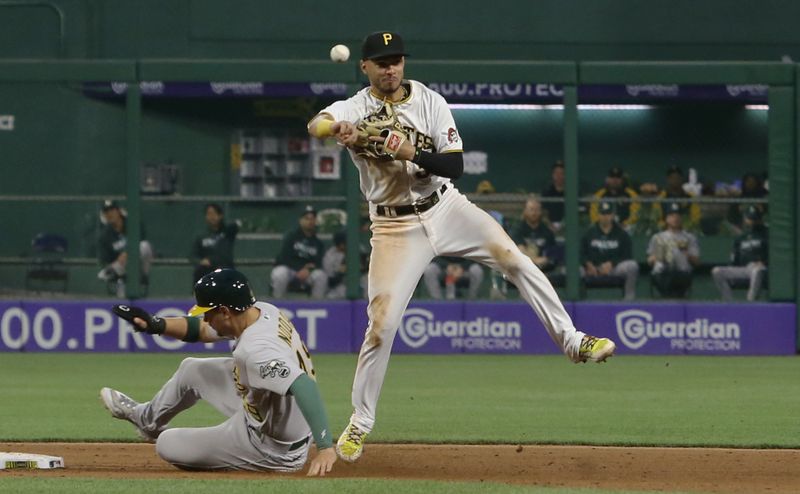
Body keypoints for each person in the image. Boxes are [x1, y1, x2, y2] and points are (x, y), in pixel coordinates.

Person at [306, 30, 615, 463]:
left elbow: (455, 164)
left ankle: (572, 340)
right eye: (381, 61)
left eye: (396, 59)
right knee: (382, 325)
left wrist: (410, 150)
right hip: (394, 227)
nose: (391, 67)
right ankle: (359, 423)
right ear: (365, 67)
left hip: (446, 205)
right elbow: (315, 123)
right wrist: (334, 127)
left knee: (514, 259)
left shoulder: (429, 101)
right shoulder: (355, 107)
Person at [99, 268, 336, 476]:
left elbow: (303, 384)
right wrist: (155, 324)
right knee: (191, 369)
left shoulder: (256, 351)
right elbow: (200, 330)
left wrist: (325, 447)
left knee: (166, 444)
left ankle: (264, 461)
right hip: (269, 409)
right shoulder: (261, 311)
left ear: (224, 311)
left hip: (271, 445)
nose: (205, 317)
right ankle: (146, 419)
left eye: (208, 311)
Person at [580, 201, 639, 300]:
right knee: (574, 270)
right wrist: (588, 264)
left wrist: (612, 264)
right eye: (603, 213)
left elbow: (627, 255)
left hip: (614, 269)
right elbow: (581, 253)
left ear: (613, 215)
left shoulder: (622, 234)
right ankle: (578, 300)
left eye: (608, 213)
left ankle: (629, 301)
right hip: (592, 269)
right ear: (598, 215)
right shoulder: (589, 233)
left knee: (632, 266)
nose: (605, 217)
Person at [96, 200, 154, 298]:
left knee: (144, 246)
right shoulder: (105, 236)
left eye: (112, 210)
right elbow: (105, 261)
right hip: (121, 273)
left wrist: (127, 253)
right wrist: (117, 263)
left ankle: (138, 276)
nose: (109, 214)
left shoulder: (133, 224)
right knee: (105, 273)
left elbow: (143, 244)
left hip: (139, 266)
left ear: (118, 211)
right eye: (106, 212)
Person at [712, 205, 768, 301]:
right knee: (717, 271)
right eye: (750, 219)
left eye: (755, 219)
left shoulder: (766, 234)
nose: (752, 221)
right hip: (744, 269)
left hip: (761, 269)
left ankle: (750, 303)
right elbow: (734, 260)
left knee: (757, 270)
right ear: (745, 219)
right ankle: (728, 302)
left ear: (760, 219)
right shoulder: (741, 238)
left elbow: (774, 255)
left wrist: (765, 262)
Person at [271, 205, 328, 299]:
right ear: (300, 220)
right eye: (307, 218)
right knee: (280, 273)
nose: (310, 221)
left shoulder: (318, 243)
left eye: (312, 218)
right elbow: (283, 258)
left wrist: (308, 270)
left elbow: (318, 263)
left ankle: (317, 306)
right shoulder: (291, 237)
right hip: (291, 270)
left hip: (308, 273)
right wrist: (300, 268)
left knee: (321, 276)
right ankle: (277, 305)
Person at [647, 202, 700, 298]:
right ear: (666, 219)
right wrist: (658, 256)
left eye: (678, 215)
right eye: (671, 215)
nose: (675, 218)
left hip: (682, 274)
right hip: (661, 274)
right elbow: (650, 261)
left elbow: (696, 262)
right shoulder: (658, 237)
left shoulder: (689, 237)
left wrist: (686, 253)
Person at [189, 203, 239, 285]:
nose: (212, 217)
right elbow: (192, 255)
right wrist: (201, 261)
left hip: (225, 271)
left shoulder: (227, 232)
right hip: (207, 272)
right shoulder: (202, 236)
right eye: (209, 214)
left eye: (214, 214)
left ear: (220, 216)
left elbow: (235, 227)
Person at [511, 197, 558, 273]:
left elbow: (551, 253)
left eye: (537, 210)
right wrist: (535, 261)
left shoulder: (547, 231)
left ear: (541, 212)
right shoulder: (518, 229)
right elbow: (520, 251)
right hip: (522, 269)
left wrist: (545, 259)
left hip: (543, 270)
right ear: (525, 211)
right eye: (531, 209)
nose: (534, 213)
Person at [589, 166, 640, 231]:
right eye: (612, 177)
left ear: (622, 179)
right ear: (607, 179)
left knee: (631, 227)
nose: (615, 180)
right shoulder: (600, 194)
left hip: (624, 227)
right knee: (593, 227)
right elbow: (593, 213)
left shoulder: (631, 194)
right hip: (604, 226)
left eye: (618, 177)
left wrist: (625, 223)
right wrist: (602, 224)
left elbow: (635, 213)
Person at [652, 165, 701, 232]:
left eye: (677, 177)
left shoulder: (689, 197)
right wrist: (668, 226)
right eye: (672, 178)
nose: (675, 180)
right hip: (665, 231)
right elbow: (656, 218)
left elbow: (695, 218)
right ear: (668, 179)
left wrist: (683, 227)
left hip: (686, 231)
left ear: (681, 179)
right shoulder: (661, 198)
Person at [323, 230, 368, 299]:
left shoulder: (358, 249)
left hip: (359, 279)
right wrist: (340, 272)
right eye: (342, 244)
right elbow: (330, 280)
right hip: (339, 285)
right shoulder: (330, 255)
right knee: (340, 292)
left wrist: (361, 267)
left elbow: (366, 265)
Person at [540, 160, 565, 231]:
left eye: (562, 173)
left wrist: (563, 226)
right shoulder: (547, 191)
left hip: (567, 226)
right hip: (549, 225)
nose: (559, 176)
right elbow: (544, 212)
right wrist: (550, 226)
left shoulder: (571, 191)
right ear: (552, 175)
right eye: (556, 173)